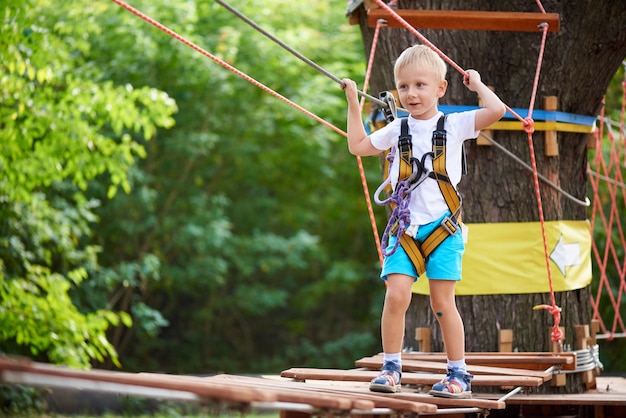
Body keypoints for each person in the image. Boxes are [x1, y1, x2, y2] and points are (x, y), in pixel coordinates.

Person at [342, 44, 506, 398]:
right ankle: (391, 367)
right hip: (406, 229)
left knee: (442, 303)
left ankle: (458, 373)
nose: (411, 94)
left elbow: (496, 110)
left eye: (420, 85)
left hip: (442, 230)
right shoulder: (397, 129)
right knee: (396, 295)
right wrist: (353, 102)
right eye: (403, 87)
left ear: (440, 89)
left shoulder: (456, 124)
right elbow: (358, 145)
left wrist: (476, 84)